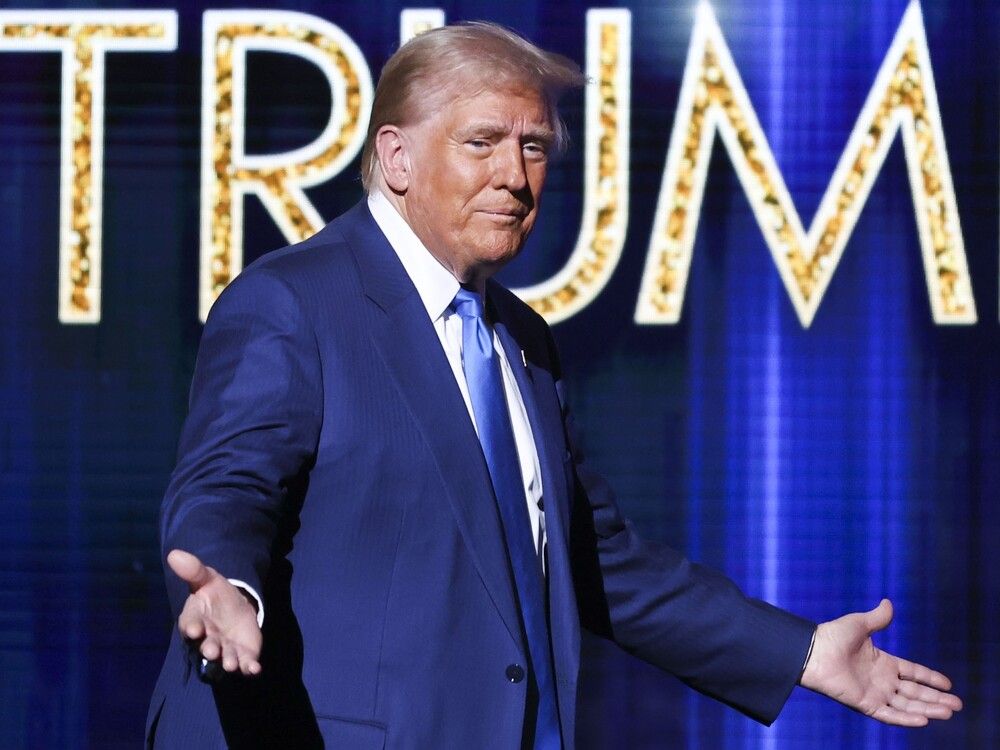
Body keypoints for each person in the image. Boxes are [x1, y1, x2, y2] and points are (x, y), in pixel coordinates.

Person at [145, 22, 961, 749]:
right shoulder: (294, 301)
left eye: (534, 147)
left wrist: (800, 654)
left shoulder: (521, 338)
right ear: (396, 157)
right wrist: (226, 582)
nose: (515, 175)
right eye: (483, 142)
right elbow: (227, 486)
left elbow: (595, 562)